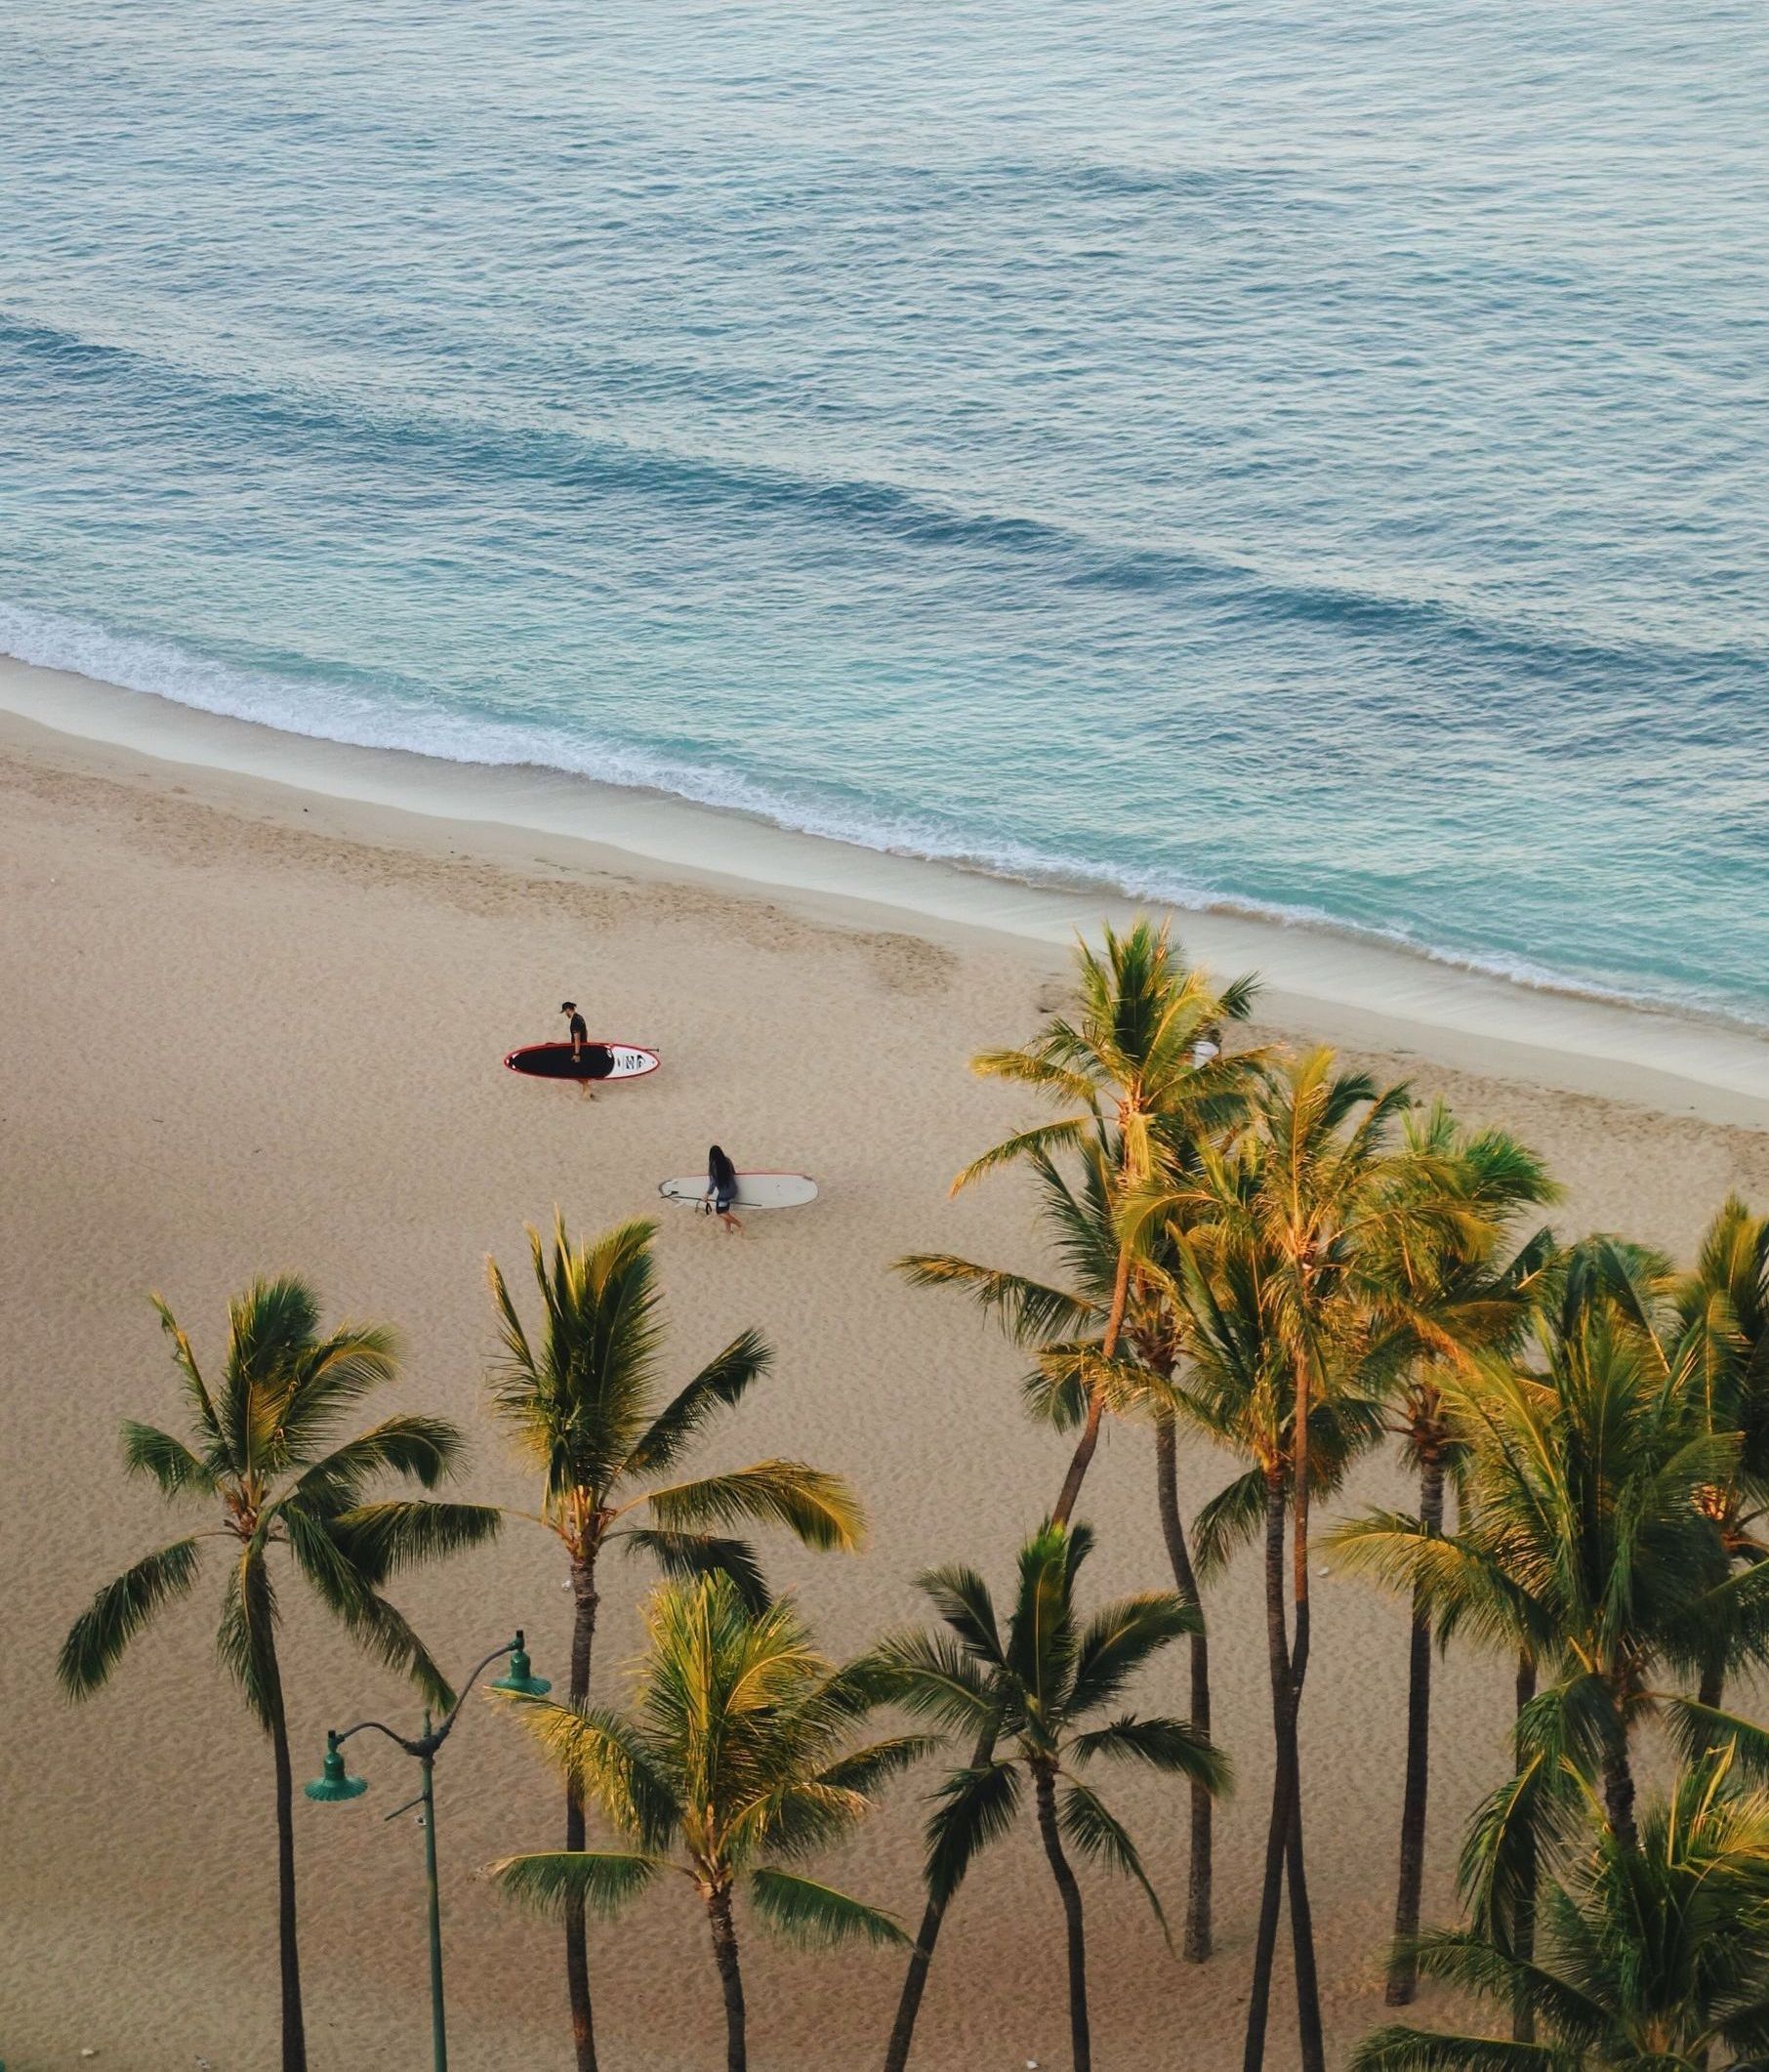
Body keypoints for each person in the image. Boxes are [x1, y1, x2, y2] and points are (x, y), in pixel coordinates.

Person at [706, 1144, 742, 1233]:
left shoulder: (714, 1166)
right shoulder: (727, 1160)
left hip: (725, 1194)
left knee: (720, 1212)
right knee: (725, 1210)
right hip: (733, 1189)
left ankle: (739, 1225)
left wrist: (707, 1195)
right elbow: (734, 1172)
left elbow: (713, 1183)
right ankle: (728, 1231)